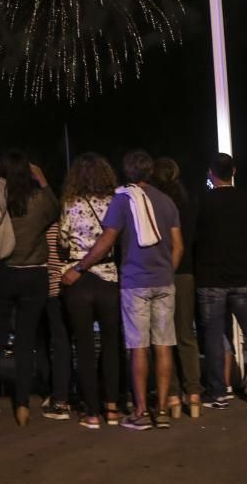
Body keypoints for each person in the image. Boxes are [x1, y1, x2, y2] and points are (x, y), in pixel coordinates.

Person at [65, 149, 182, 430]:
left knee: (138, 347)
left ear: (127, 171)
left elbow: (107, 240)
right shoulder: (167, 202)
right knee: (163, 345)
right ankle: (163, 409)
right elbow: (178, 245)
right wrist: (168, 270)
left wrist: (79, 268)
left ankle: (141, 411)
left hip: (134, 282)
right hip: (164, 281)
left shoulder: (123, 199)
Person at [0, 150, 60, 427]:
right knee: (25, 343)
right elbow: (55, 209)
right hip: (34, 275)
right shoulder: (40, 200)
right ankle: (22, 405)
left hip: (1, 274)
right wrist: (43, 179)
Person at [194, 153, 247, 409]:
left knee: (214, 336)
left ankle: (218, 392)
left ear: (210, 173)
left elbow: (196, 238)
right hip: (243, 275)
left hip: (211, 277)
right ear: (234, 172)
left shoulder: (203, 202)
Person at [58, 153, 122, 428]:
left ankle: (92, 411)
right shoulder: (114, 203)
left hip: (78, 279)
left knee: (83, 347)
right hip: (109, 277)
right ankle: (112, 408)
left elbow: (62, 238)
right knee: (111, 344)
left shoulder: (70, 203)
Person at [150, 157, 202, 418]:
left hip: (159, 272)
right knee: (186, 335)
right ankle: (193, 393)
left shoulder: (153, 205)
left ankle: (170, 394)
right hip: (185, 274)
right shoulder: (187, 204)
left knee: (162, 338)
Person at [38, 221, 72, 421]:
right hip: (75, 288)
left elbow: (47, 262)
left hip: (53, 290)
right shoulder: (71, 225)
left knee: (56, 343)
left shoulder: (47, 230)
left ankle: (59, 396)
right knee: (70, 342)